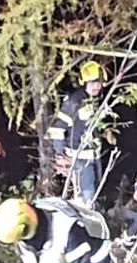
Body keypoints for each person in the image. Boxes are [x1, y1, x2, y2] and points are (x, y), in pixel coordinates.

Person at [47, 60, 116, 208]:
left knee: (96, 189)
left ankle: (93, 215)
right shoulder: (74, 102)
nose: (97, 86)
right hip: (78, 157)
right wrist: (60, 154)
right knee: (86, 194)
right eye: (93, 83)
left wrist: (106, 132)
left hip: (94, 155)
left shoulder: (96, 100)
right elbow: (57, 129)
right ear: (84, 82)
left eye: (99, 83)